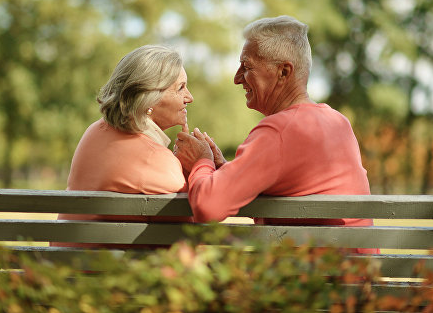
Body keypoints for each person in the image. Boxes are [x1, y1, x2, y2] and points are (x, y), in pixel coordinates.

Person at [174, 15, 376, 254]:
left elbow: (208, 207)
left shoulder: (279, 131)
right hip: (355, 277)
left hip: (316, 283)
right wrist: (224, 168)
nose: (237, 78)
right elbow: (292, 182)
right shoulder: (337, 121)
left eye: (246, 67)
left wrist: (201, 161)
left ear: (283, 72)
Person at [54, 45, 194, 247]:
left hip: (66, 263)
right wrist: (200, 164)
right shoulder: (157, 160)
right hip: (108, 274)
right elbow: (192, 233)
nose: (190, 97)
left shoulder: (94, 131)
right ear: (149, 98)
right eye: (181, 88)